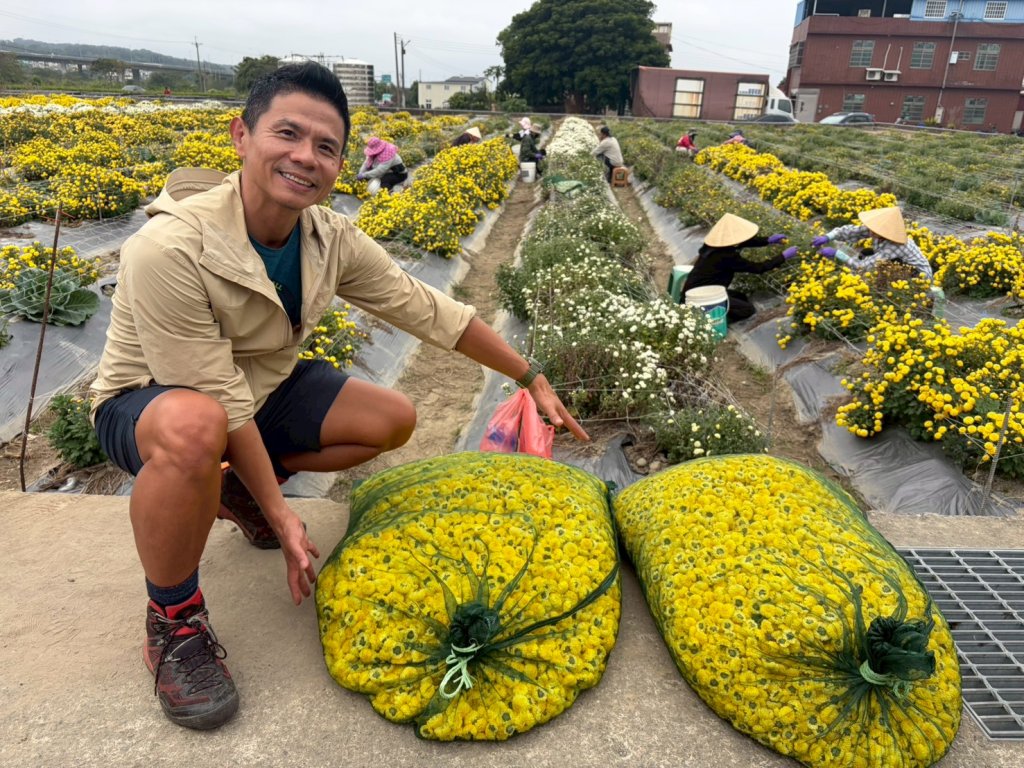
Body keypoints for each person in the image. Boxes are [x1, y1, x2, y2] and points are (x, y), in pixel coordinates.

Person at [88, 61, 589, 732]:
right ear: (241, 136)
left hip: (257, 391)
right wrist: (285, 513)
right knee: (196, 428)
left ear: (340, 163)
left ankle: (232, 490)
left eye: (326, 147)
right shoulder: (171, 247)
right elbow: (219, 397)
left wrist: (531, 377)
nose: (306, 157)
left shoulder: (327, 237)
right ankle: (174, 621)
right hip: (153, 401)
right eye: (287, 134)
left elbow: (429, 311)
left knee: (392, 417)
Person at [682, 213, 798, 321]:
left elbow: (744, 242)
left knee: (740, 296)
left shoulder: (713, 246)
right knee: (747, 310)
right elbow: (758, 268)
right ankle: (709, 318)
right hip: (701, 296)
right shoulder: (726, 256)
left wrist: (768, 240)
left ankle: (709, 310)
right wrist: (783, 257)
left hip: (695, 288)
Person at [812, 206, 932, 280]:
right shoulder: (876, 230)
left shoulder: (895, 245)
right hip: (898, 264)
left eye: (875, 230)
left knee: (872, 273)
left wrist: (838, 254)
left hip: (919, 275)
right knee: (871, 263)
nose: (871, 231)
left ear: (886, 232)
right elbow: (852, 231)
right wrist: (828, 236)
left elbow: (863, 267)